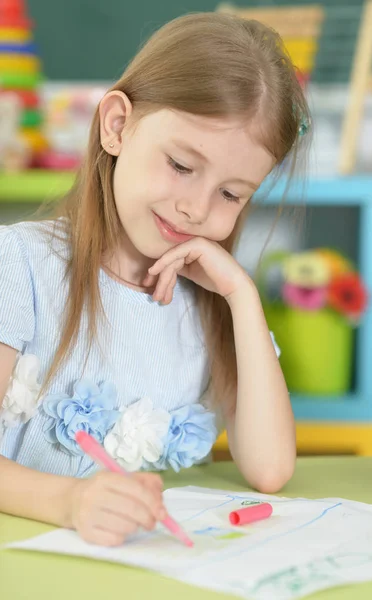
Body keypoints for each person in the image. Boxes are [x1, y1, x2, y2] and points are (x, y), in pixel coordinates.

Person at [0, 12, 310, 546]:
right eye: (181, 166)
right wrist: (70, 502)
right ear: (117, 125)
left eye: (232, 194)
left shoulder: (209, 303)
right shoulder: (22, 265)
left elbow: (271, 468)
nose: (194, 208)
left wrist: (241, 298)